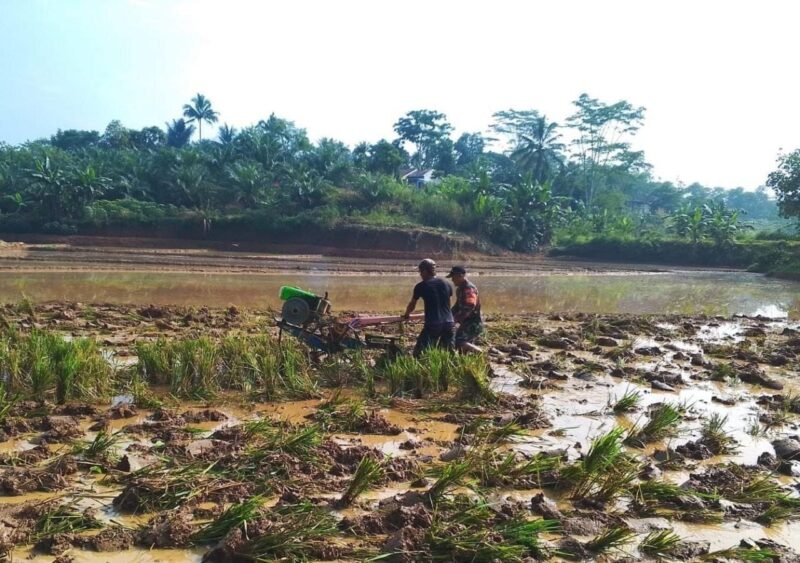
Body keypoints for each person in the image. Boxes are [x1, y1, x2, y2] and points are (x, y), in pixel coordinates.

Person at [402, 258, 455, 357]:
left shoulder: (421, 286)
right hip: (449, 323)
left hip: (433, 323)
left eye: (421, 272)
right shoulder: (446, 284)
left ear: (426, 271)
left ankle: (421, 369)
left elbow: (412, 304)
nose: (420, 274)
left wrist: (407, 314)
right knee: (447, 352)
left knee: (419, 352)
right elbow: (448, 304)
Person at [447, 265, 484, 353]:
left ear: (461, 276)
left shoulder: (469, 289)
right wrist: (448, 316)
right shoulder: (460, 289)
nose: (452, 280)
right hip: (467, 322)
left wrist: (457, 320)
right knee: (462, 349)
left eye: (453, 277)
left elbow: (470, 305)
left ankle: (480, 352)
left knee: (457, 341)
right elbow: (457, 306)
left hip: (473, 323)